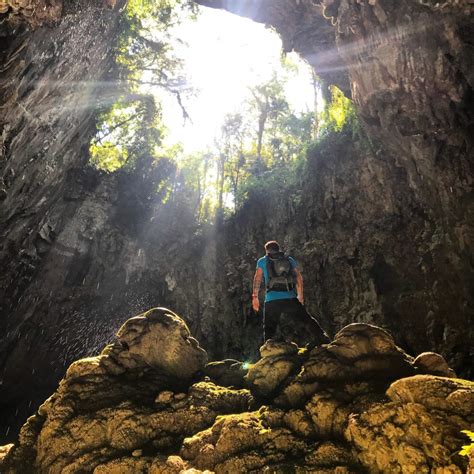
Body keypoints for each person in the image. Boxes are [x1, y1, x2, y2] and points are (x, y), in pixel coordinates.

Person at [252, 240, 330, 346]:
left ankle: (268, 351)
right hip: (290, 297)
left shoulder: (262, 261)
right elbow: (298, 278)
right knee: (306, 319)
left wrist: (255, 297)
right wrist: (300, 295)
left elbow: (257, 278)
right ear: (278, 249)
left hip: (272, 299)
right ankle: (322, 337)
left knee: (269, 327)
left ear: (267, 250)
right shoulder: (289, 259)